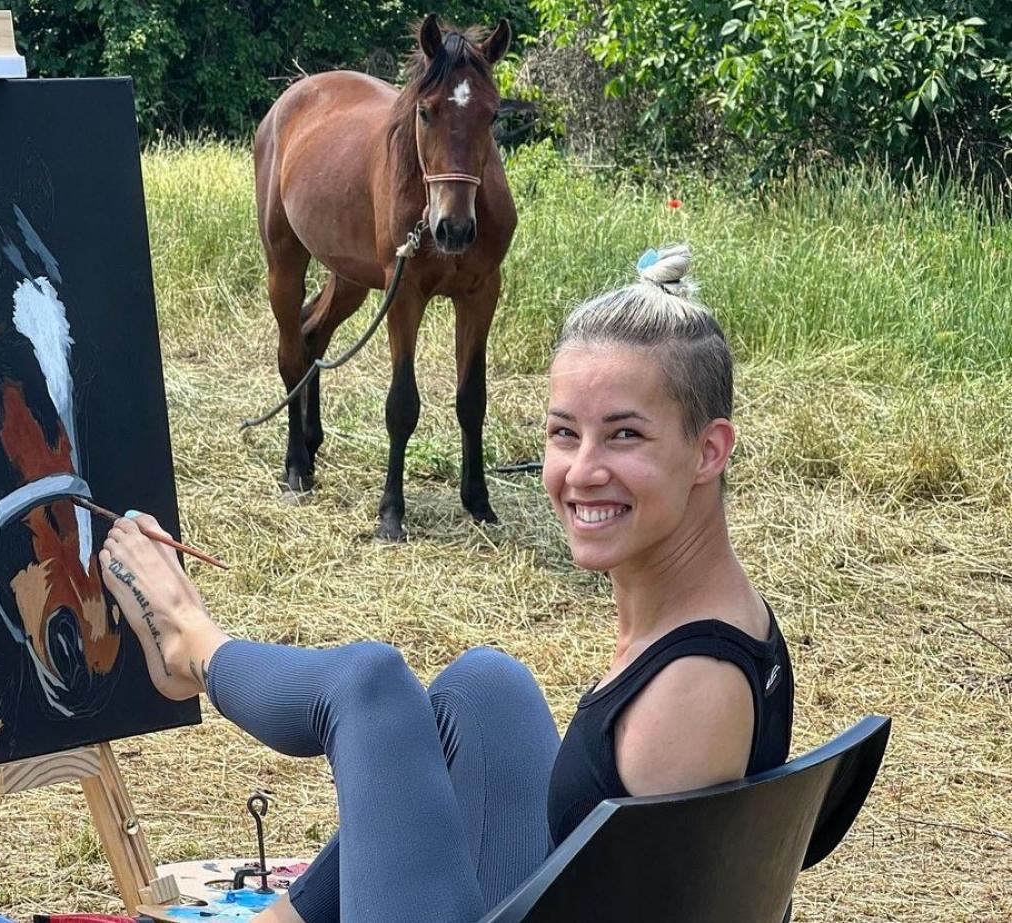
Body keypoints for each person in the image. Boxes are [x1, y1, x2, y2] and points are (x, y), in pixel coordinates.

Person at [98, 244, 794, 923]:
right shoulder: (722, 623)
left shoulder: (688, 694)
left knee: (365, 685)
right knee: (486, 686)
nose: (582, 470)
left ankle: (190, 646)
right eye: (563, 432)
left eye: (624, 436)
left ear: (709, 450)